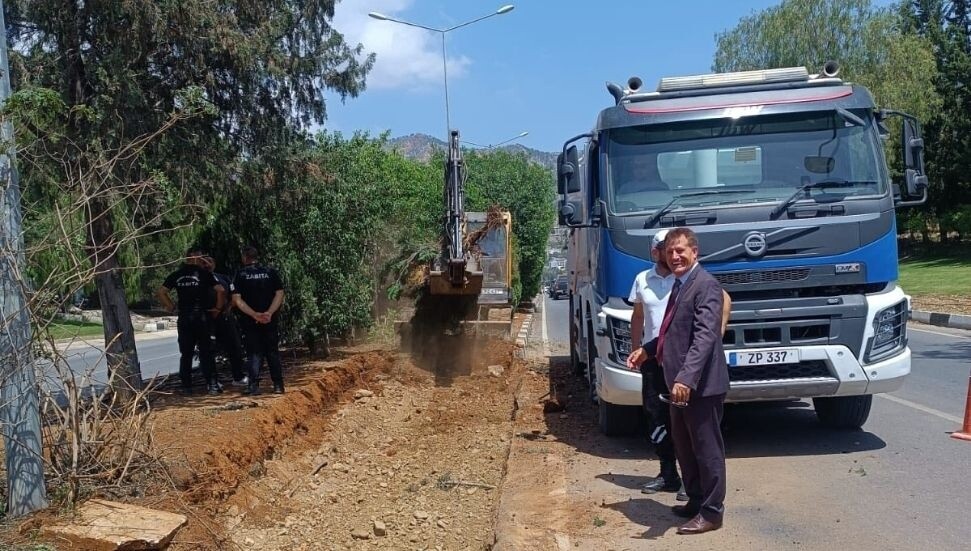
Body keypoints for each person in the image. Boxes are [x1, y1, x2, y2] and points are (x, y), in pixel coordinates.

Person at [628, 231, 733, 501]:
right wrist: (646, 350)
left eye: (681, 251)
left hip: (699, 385)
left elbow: (705, 336)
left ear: (695, 252)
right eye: (670, 251)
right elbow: (669, 331)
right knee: (685, 447)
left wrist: (685, 378)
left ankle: (710, 511)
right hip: (677, 381)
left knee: (706, 450)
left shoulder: (705, 285)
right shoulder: (681, 284)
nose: (674, 257)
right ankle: (695, 502)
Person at [157, 248, 225, 395]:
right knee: (206, 353)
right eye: (200, 257)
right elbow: (220, 289)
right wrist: (218, 308)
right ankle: (212, 385)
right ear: (193, 258)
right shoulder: (203, 274)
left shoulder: (177, 275)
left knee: (186, 354)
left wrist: (170, 307)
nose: (202, 259)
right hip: (201, 317)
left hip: (184, 318)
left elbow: (162, 292)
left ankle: (187, 387)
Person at [232, 245, 285, 395]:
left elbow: (236, 300)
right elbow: (279, 294)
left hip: (250, 321)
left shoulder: (240, 275)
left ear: (244, 258)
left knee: (254, 353)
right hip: (270, 320)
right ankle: (278, 386)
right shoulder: (270, 272)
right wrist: (269, 313)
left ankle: (253, 386)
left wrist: (254, 315)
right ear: (256, 257)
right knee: (272, 352)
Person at [202, 255, 248, 387]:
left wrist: (228, 307)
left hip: (225, 318)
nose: (206, 265)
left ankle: (238, 377)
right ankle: (212, 381)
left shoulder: (224, 278)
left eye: (209, 261)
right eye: (203, 262)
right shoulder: (198, 280)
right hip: (206, 319)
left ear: (214, 264)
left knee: (235, 347)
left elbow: (234, 295)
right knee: (208, 350)